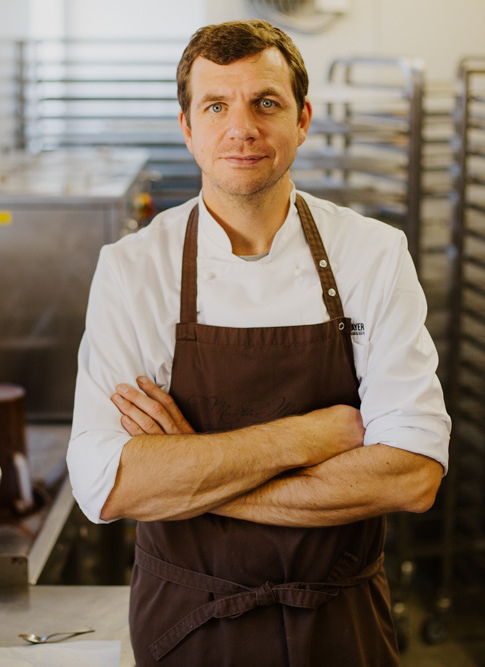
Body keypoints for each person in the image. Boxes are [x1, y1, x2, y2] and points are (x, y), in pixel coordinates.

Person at [67, 19, 450, 666]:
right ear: (187, 126)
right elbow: (108, 484)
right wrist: (310, 436)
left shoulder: (373, 255)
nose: (240, 127)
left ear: (302, 119)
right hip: (188, 625)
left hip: (341, 621)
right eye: (216, 105)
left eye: (264, 103)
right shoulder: (134, 269)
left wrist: (191, 469)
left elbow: (412, 473)